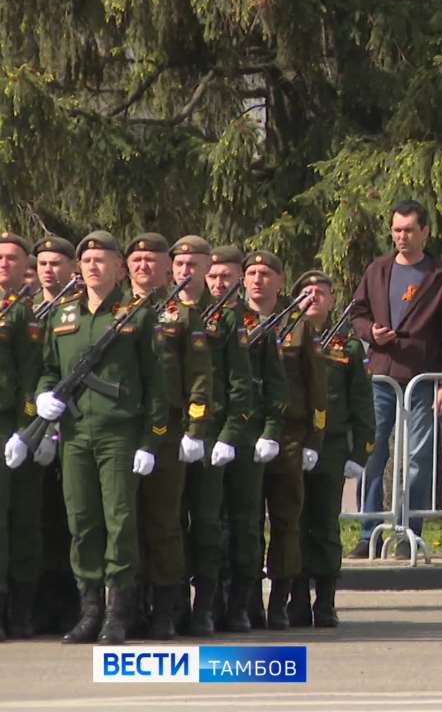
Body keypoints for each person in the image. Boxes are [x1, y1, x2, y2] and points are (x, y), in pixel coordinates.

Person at [34, 230, 167, 644]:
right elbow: (49, 370)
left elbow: (156, 385)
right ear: (79, 268)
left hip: (120, 435)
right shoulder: (63, 316)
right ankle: (89, 610)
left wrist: (151, 440)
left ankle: (118, 614)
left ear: (118, 268)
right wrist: (42, 397)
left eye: (102, 260)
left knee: (120, 521)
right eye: (87, 261)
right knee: (83, 522)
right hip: (74, 435)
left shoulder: (137, 316)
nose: (93, 267)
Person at [349, 200, 442, 558]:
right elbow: (357, 314)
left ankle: (407, 533)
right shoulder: (378, 270)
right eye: (396, 230)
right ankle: (369, 534)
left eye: (409, 230)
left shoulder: (440, 275)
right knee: (373, 454)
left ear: (424, 232)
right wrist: (371, 332)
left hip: (423, 380)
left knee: (418, 459)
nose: (401, 236)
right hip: (381, 376)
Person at [124, 232, 213, 640]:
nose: (143, 266)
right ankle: (129, 605)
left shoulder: (181, 313)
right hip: (122, 428)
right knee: (124, 521)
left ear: (165, 268)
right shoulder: (115, 310)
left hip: (167, 431)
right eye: (137, 259)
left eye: (151, 260)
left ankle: (165, 608)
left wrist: (195, 428)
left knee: (164, 521)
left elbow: (199, 375)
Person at [171, 235, 253, 637]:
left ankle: (205, 607)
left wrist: (228, 434)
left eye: (194, 266)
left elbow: (240, 383)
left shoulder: (225, 319)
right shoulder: (162, 312)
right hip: (167, 434)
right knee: (166, 524)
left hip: (209, 435)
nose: (187, 272)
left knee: (206, 526)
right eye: (181, 265)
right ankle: (168, 607)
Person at [244, 251, 326, 630]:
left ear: (280, 282)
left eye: (266, 274)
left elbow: (316, 387)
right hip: (244, 432)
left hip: (289, 436)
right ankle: (247, 602)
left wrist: (315, 438)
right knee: (245, 522)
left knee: (285, 521)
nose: (258, 280)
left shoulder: (297, 326)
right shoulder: (233, 322)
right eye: (252, 273)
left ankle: (280, 600)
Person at [288, 270, 374, 627]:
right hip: (292, 443)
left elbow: (361, 404)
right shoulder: (284, 337)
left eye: (320, 292)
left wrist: (360, 454)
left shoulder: (348, 347)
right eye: (306, 292)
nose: (313, 297)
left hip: (331, 447)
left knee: (324, 523)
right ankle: (294, 598)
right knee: (291, 522)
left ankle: (325, 600)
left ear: (332, 300)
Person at [210, 246, 287, 633]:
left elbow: (274, 384)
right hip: (205, 436)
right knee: (209, 524)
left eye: (226, 276)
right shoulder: (197, 321)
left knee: (244, 523)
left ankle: (242, 604)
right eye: (213, 276)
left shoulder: (250, 324)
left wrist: (271, 431)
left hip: (244, 434)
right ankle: (211, 602)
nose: (219, 283)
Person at [29, 235, 78, 636]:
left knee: (72, 519)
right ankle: (41, 603)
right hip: (31, 429)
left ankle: (71, 603)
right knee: (39, 517)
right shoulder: (23, 310)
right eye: (43, 263)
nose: (49, 270)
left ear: (71, 269)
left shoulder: (75, 311)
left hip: (75, 427)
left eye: (56, 263)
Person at [0, 233, 40, 641]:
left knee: (19, 519)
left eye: (12, 258)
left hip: (8, 425)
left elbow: (32, 378)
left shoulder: (22, 314)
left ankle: (19, 610)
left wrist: (28, 430)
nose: (4, 264)